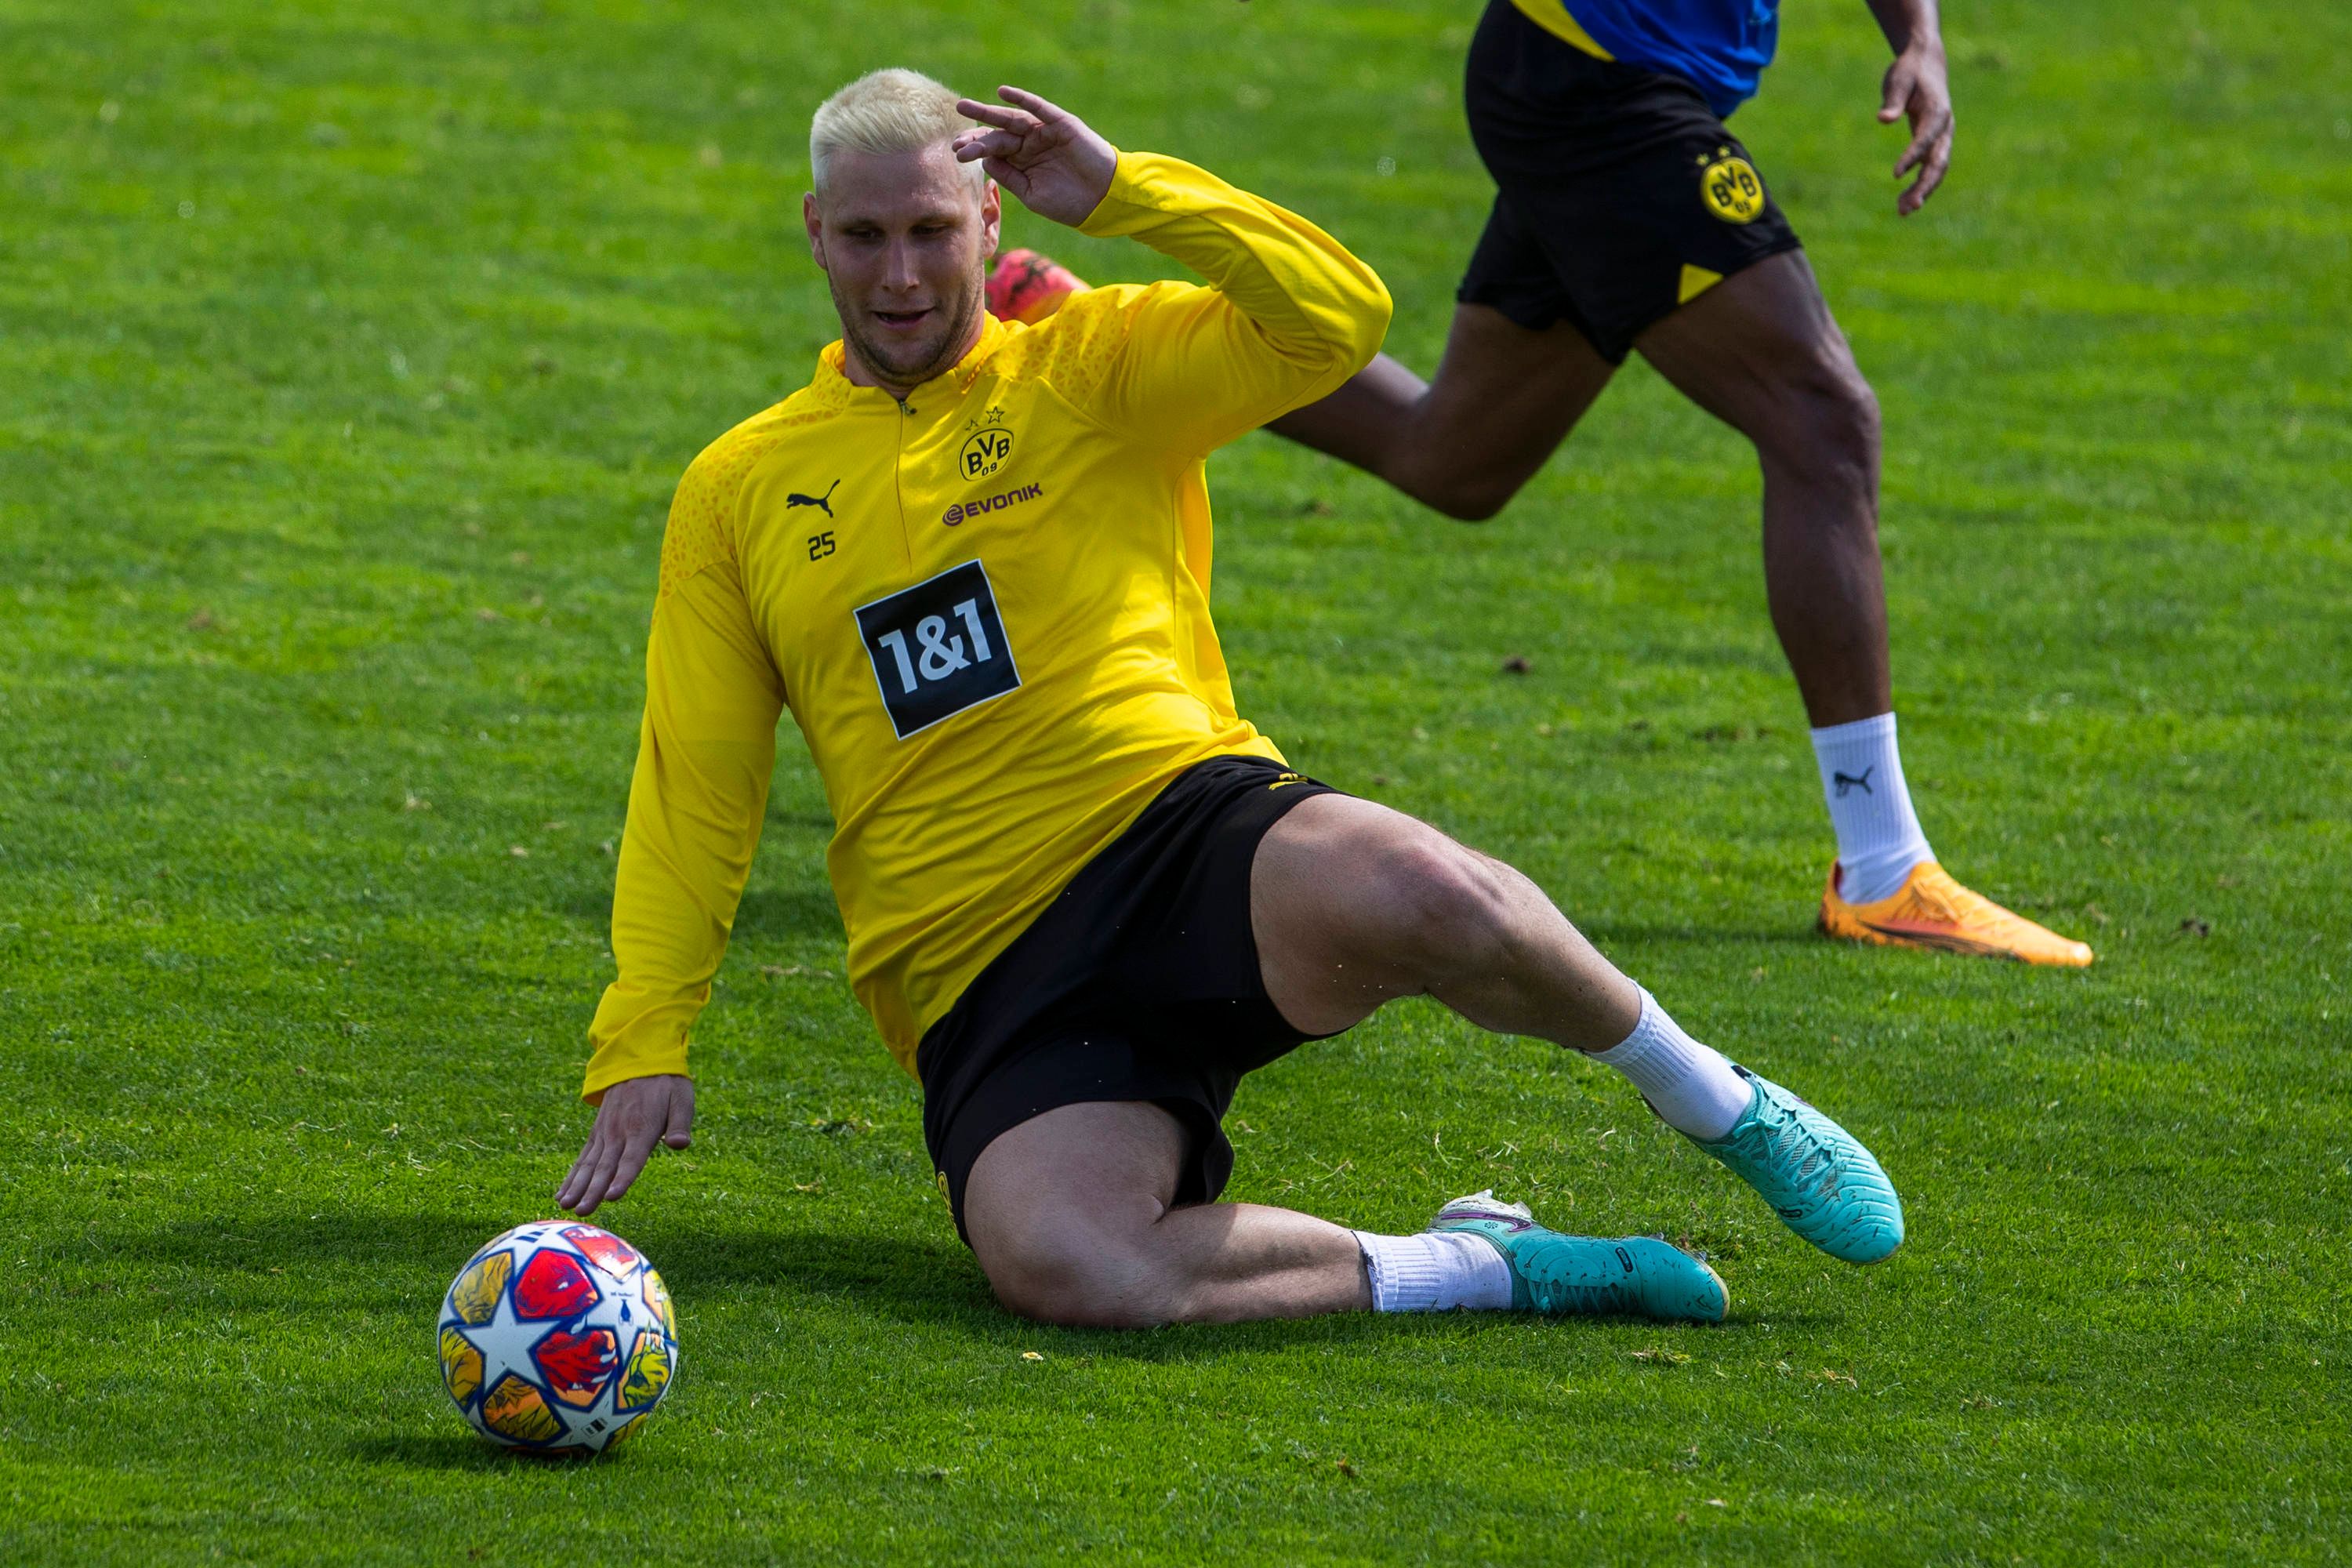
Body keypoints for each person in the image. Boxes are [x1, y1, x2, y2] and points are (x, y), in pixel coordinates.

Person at [555, 69, 1902, 1329]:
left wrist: (1129, 190)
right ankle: (1486, 1264)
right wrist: (647, 1034)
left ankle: (1720, 1105)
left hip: (1181, 833)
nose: (900, 274)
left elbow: (1337, 319)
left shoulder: (1090, 364)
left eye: (928, 229)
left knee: (1443, 897)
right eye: (863, 237)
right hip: (974, 965)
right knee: (1072, 1264)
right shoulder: (737, 491)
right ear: (813, 233)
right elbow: (698, 778)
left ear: (989, 212)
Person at [988, 0, 2095, 968]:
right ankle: (1884, 869)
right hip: (1597, 88)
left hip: (1593, 85)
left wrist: (1920, 39)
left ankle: (1082, 336)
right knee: (1825, 423)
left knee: (1457, 459)